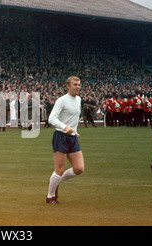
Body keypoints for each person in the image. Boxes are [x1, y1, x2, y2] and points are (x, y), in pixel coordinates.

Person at [46, 76, 84, 204]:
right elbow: (51, 118)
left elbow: (72, 118)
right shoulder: (61, 100)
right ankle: (50, 196)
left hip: (72, 137)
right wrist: (65, 127)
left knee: (79, 168)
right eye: (75, 84)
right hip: (60, 137)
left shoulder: (79, 99)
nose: (78, 87)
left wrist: (74, 129)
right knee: (60, 169)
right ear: (68, 86)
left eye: (79, 84)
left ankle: (56, 181)